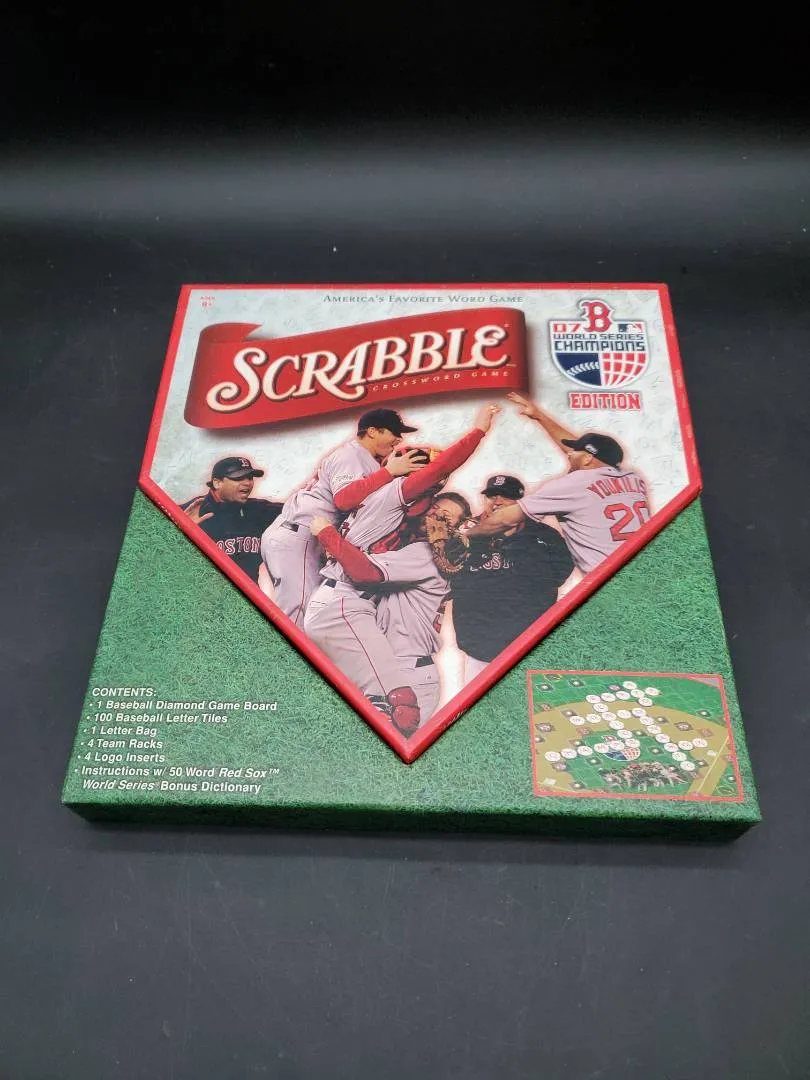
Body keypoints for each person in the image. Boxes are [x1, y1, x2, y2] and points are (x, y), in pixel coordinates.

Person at [308, 492, 472, 735]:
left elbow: (365, 572)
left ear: (456, 528)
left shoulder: (423, 554)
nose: (435, 515)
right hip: (403, 671)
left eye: (446, 516)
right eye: (435, 507)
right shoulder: (419, 551)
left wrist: (327, 534)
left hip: (406, 675)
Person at [260, 408, 425, 626]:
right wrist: (389, 472)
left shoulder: (365, 459)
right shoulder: (351, 455)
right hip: (299, 535)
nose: (399, 438)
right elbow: (344, 500)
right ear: (372, 431)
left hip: (296, 535)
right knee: (300, 615)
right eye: (394, 432)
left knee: (310, 614)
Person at [465, 392, 650, 574]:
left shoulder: (573, 484)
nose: (569, 453)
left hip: (610, 580)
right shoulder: (633, 478)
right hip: (644, 570)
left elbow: (504, 520)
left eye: (574, 451)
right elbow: (591, 454)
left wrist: (465, 536)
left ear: (587, 459)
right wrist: (539, 416)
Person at [451, 474, 574, 684]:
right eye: (491, 496)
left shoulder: (545, 536)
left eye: (506, 496)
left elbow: (562, 570)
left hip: (529, 646)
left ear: (520, 502)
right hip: (480, 647)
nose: (497, 501)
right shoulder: (466, 534)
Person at [181, 456, 283, 584]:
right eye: (239, 478)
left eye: (250, 477)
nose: (247, 483)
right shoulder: (189, 513)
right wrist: (179, 533)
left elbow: (299, 511)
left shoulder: (259, 511)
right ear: (217, 483)